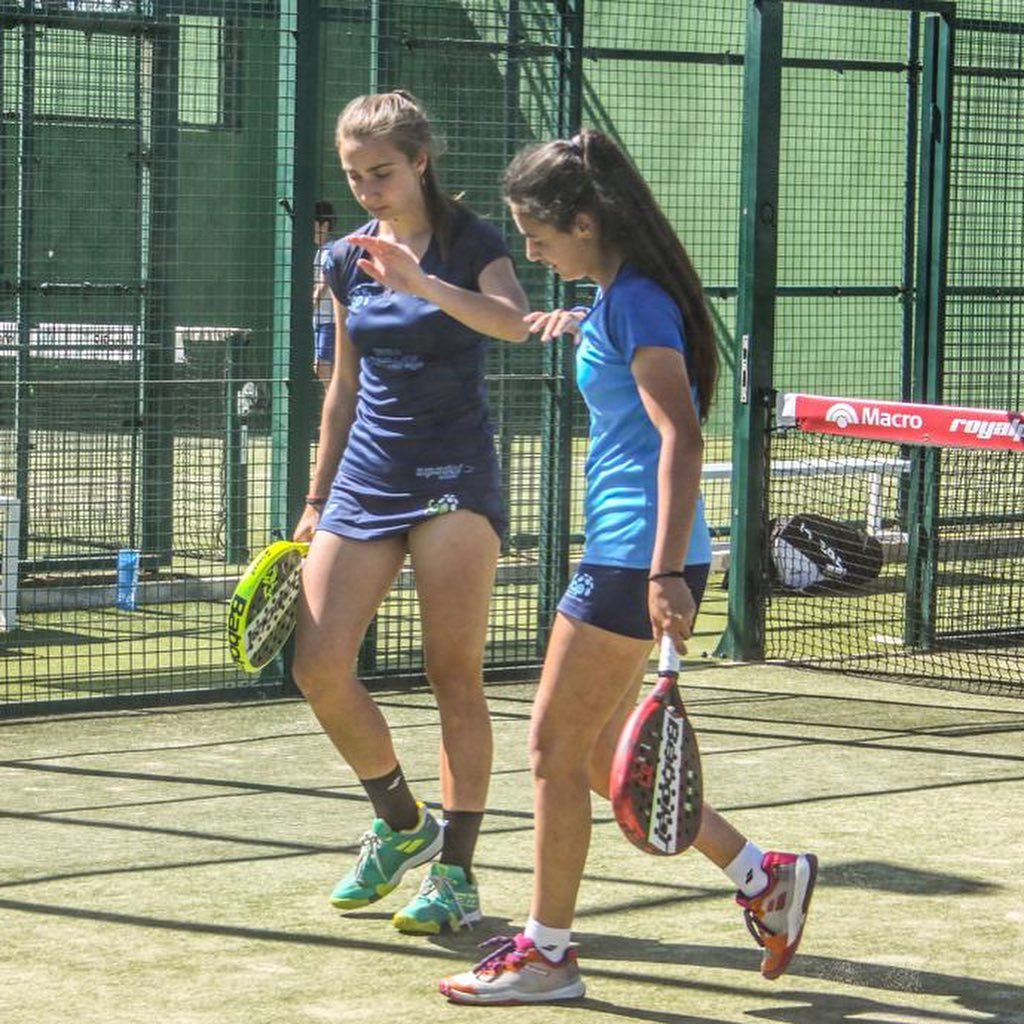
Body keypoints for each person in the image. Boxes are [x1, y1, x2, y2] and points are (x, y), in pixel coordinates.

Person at [439, 130, 818, 1004]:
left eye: (537, 233)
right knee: (611, 759)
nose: (527, 249)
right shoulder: (618, 300)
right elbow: (627, 368)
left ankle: (547, 954)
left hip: (633, 558)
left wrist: (663, 576)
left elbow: (681, 434)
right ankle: (764, 873)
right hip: (631, 552)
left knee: (549, 752)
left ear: (583, 219)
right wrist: (581, 322)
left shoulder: (639, 303)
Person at [292, 90, 529, 935]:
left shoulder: (476, 243)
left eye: (381, 172)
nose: (366, 189)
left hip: (455, 474)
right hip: (365, 476)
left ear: (420, 161)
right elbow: (343, 389)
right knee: (318, 665)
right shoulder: (343, 260)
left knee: (451, 672)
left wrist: (423, 280)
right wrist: (317, 500)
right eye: (353, 175)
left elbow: (513, 324)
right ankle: (402, 826)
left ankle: (457, 874)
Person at [312, 199, 336, 384]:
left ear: (324, 225)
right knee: (322, 367)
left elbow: (323, 282)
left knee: (322, 365)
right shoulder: (320, 251)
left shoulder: (329, 250)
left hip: (329, 320)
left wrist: (312, 302)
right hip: (320, 319)